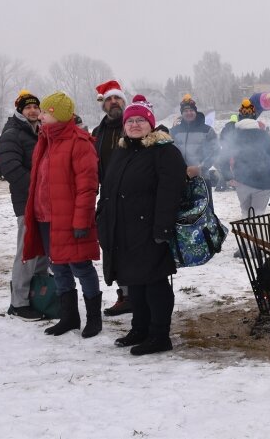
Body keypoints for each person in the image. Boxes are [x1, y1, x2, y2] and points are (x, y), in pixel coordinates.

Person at [97, 95, 185, 355]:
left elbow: (171, 192)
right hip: (121, 230)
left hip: (150, 231)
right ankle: (140, 328)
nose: (135, 124)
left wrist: (162, 229)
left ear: (151, 124)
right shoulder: (122, 151)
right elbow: (109, 189)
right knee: (133, 283)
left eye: (140, 120)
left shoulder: (164, 151)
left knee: (154, 284)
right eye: (130, 121)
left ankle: (159, 335)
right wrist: (101, 215)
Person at [22, 91, 102, 338]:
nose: (41, 115)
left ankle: (94, 319)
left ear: (59, 115)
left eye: (45, 112)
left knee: (81, 267)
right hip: (44, 218)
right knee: (58, 268)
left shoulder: (80, 143)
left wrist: (81, 220)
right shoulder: (44, 141)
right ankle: (69, 317)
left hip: (69, 220)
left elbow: (87, 187)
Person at [0, 90, 52, 321]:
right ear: (20, 110)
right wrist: (35, 190)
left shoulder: (39, 131)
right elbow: (11, 169)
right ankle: (18, 303)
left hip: (43, 201)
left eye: (35, 107)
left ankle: (38, 295)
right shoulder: (13, 133)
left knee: (42, 251)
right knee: (27, 251)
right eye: (27, 107)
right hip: (26, 202)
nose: (32, 110)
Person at [91, 80, 132, 317]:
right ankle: (124, 295)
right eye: (109, 99)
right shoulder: (98, 132)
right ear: (104, 105)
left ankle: (138, 294)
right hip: (108, 199)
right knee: (112, 248)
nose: (113, 102)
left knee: (134, 248)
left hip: (133, 199)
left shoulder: (134, 124)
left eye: (117, 98)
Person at [223, 99, 270, 221]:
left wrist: (227, 175)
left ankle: (247, 238)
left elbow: (224, 154)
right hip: (263, 181)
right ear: (254, 116)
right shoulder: (264, 135)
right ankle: (256, 238)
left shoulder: (234, 135)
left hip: (242, 180)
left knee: (245, 215)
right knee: (258, 217)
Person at [169, 94, 219, 184]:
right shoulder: (174, 132)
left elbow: (215, 151)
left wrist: (201, 168)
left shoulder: (207, 130)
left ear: (195, 112)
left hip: (201, 177)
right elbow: (169, 153)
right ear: (182, 113)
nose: (189, 113)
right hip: (179, 178)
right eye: (185, 111)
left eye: (191, 110)